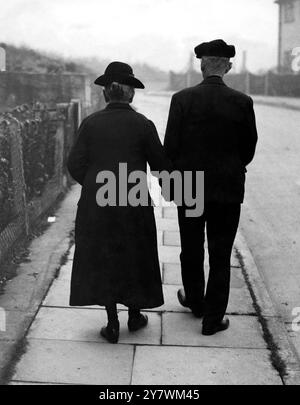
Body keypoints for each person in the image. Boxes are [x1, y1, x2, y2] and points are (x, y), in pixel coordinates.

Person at [67, 62, 170, 343]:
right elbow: (161, 166)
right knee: (134, 255)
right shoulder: (143, 124)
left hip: (97, 204)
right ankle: (134, 316)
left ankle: (112, 323)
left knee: (104, 258)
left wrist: (94, 186)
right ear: (131, 94)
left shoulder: (90, 124)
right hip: (133, 202)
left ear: (106, 94)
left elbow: (74, 163)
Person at [164, 39, 258, 336]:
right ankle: (212, 320)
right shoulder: (242, 102)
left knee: (191, 248)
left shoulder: (181, 99)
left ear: (202, 65)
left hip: (189, 186)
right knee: (220, 254)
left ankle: (194, 300)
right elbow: (248, 149)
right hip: (227, 188)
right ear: (228, 67)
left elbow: (170, 147)